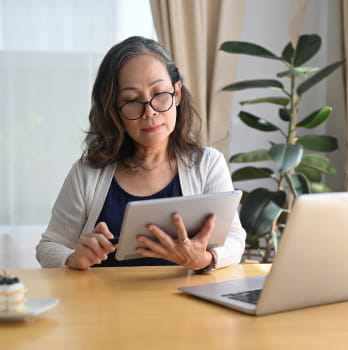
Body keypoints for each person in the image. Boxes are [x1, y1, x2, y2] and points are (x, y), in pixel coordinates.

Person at [36, 36, 246, 271]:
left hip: (186, 305)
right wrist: (73, 258)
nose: (150, 111)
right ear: (114, 109)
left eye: (159, 94)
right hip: (104, 306)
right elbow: (49, 246)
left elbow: (235, 240)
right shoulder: (87, 173)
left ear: (177, 93)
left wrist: (205, 259)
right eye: (132, 100)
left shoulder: (207, 164)